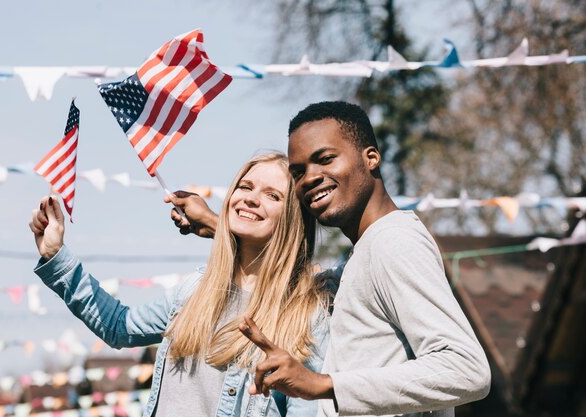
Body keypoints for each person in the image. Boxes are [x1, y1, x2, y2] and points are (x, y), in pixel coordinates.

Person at [167, 102, 491, 417]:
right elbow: (296, 273)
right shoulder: (364, 253)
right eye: (298, 171)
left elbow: (465, 369)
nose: (309, 178)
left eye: (325, 159)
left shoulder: (393, 242)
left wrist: (322, 384)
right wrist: (218, 226)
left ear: (371, 158)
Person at [28, 152, 330, 417]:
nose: (251, 198)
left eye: (272, 195)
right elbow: (119, 326)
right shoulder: (196, 289)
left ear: (294, 218)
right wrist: (57, 257)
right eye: (245, 186)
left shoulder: (305, 314)